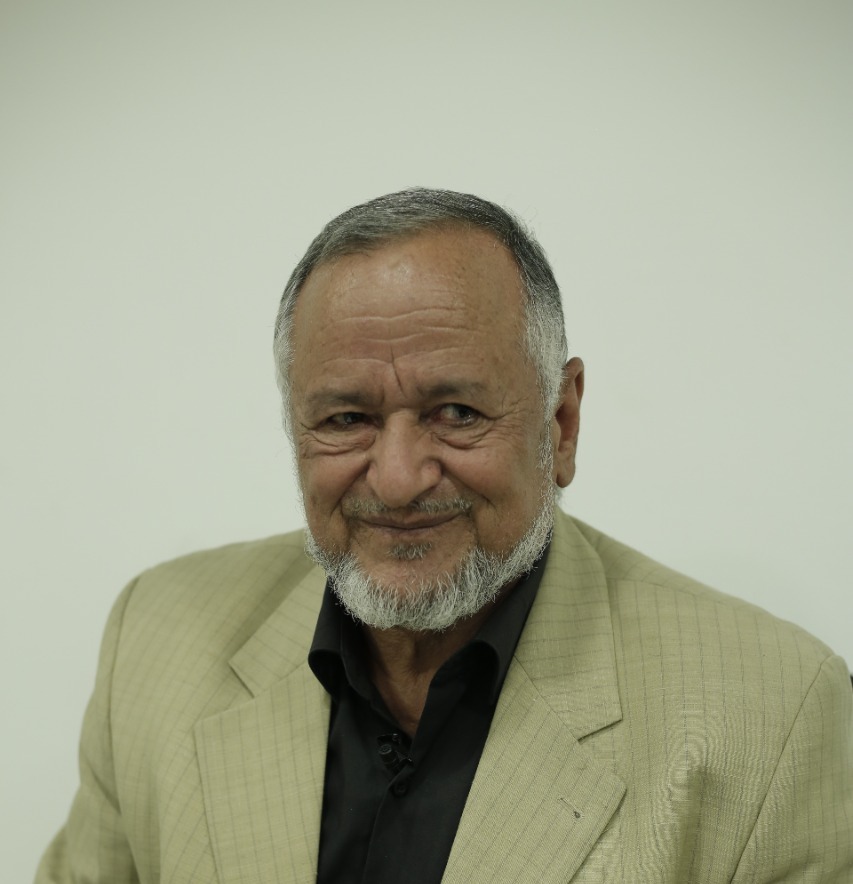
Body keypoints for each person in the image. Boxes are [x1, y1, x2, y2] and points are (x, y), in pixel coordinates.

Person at [37, 188, 853, 884]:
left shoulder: (776, 716)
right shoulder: (154, 643)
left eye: (455, 413)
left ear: (561, 423)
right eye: (346, 418)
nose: (397, 480)